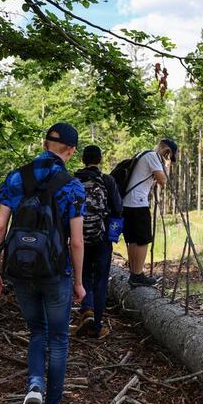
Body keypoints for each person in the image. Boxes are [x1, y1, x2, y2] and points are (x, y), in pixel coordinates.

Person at [0, 123, 86, 404]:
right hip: (55, 272)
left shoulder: (17, 177)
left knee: (37, 332)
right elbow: (77, 241)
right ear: (70, 151)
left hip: (21, 268)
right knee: (58, 339)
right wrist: (79, 283)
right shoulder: (71, 185)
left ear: (45, 144)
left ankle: (34, 386)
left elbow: (0, 228)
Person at [74, 145, 122, 339]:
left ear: (83, 159)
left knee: (83, 273)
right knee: (101, 280)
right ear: (100, 160)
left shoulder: (73, 180)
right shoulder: (107, 180)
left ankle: (87, 309)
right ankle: (97, 326)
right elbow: (118, 208)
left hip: (79, 237)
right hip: (102, 237)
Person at [122, 138, 177, 286]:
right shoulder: (153, 156)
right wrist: (165, 166)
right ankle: (138, 274)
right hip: (138, 204)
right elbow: (163, 180)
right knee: (143, 240)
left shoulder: (142, 154)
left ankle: (134, 273)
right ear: (167, 152)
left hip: (127, 203)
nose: (168, 159)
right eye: (169, 156)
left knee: (133, 239)